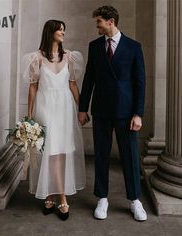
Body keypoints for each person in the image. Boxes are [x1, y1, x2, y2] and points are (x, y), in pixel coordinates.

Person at [78, 6, 147, 221]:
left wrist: (138, 113)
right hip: (102, 110)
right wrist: (82, 108)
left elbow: (140, 82)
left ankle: (135, 200)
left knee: (130, 157)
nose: (96, 25)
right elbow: (89, 79)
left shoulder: (134, 47)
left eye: (98, 21)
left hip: (127, 113)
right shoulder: (95, 46)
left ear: (110, 21)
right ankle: (102, 198)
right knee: (101, 155)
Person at [22, 20, 86, 221]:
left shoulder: (69, 57)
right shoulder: (36, 58)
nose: (63, 33)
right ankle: (61, 197)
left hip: (65, 109)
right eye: (59, 29)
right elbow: (32, 87)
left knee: (61, 152)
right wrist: (30, 116)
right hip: (46, 107)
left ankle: (51, 196)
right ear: (50, 32)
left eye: (64, 29)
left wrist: (82, 109)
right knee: (49, 152)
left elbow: (73, 85)